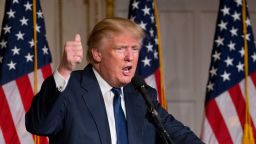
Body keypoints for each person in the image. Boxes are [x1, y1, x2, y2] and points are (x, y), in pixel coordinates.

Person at [25, 17, 203, 144]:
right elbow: (39, 126)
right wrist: (64, 69)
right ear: (97, 54)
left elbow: (179, 135)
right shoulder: (70, 87)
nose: (130, 57)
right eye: (121, 49)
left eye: (134, 49)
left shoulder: (142, 94)